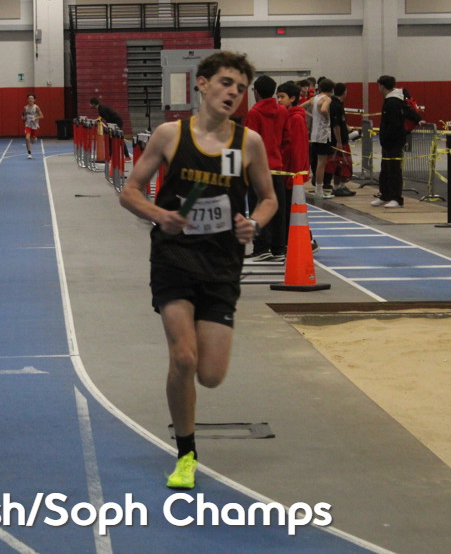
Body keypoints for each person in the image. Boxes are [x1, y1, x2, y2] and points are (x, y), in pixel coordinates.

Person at [119, 51, 277, 490]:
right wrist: (160, 215)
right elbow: (130, 191)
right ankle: (186, 454)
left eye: (241, 88)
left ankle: (188, 432)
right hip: (174, 257)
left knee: (210, 374)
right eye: (226, 83)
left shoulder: (248, 143)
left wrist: (254, 224)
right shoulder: (170, 135)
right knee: (184, 357)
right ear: (202, 84)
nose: (234, 93)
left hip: (222, 263)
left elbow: (268, 198)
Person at [244, 75, 288, 262]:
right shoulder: (283, 111)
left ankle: (261, 247)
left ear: (256, 91)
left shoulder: (254, 113)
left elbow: (249, 143)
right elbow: (286, 138)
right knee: (277, 209)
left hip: (258, 169)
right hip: (277, 167)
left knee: (258, 208)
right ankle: (278, 248)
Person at [276, 80, 317, 252]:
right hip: (285, 172)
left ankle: (307, 241)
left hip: (292, 175)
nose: (279, 100)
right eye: (278, 97)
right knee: (287, 210)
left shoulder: (296, 119)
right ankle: (292, 240)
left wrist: (295, 175)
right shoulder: (286, 117)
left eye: (282, 97)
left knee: (293, 211)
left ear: (292, 98)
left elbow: (298, 150)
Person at [372, 75, 422, 209]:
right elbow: (408, 111)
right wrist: (418, 118)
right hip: (388, 142)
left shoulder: (393, 102)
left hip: (394, 141)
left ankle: (396, 199)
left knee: (394, 170)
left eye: (378, 85)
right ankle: (385, 195)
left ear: (382, 86)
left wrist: (387, 137)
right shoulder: (393, 99)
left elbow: (394, 123)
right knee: (385, 169)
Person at [325, 82, 355, 197]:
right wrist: (338, 141)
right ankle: (337, 187)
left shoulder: (338, 103)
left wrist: (348, 129)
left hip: (342, 139)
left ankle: (341, 186)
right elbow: (336, 125)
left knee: (344, 164)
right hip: (338, 141)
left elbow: (341, 122)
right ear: (344, 92)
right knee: (340, 164)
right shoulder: (335, 105)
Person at [309, 78, 334, 199]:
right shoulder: (327, 99)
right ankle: (319, 190)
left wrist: (313, 116)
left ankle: (318, 189)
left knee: (318, 163)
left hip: (314, 134)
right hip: (323, 135)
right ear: (331, 89)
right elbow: (324, 109)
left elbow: (300, 107)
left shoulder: (314, 98)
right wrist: (327, 118)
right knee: (321, 164)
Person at [22, 93, 43, 159]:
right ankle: (29, 153)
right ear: (27, 99)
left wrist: (35, 118)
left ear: (34, 100)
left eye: (32, 98)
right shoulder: (25, 108)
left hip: (34, 125)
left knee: (33, 141)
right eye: (29, 98)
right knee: (27, 138)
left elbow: (42, 116)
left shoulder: (36, 107)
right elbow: (23, 115)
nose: (30, 99)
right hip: (28, 125)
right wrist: (23, 118)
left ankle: (34, 138)